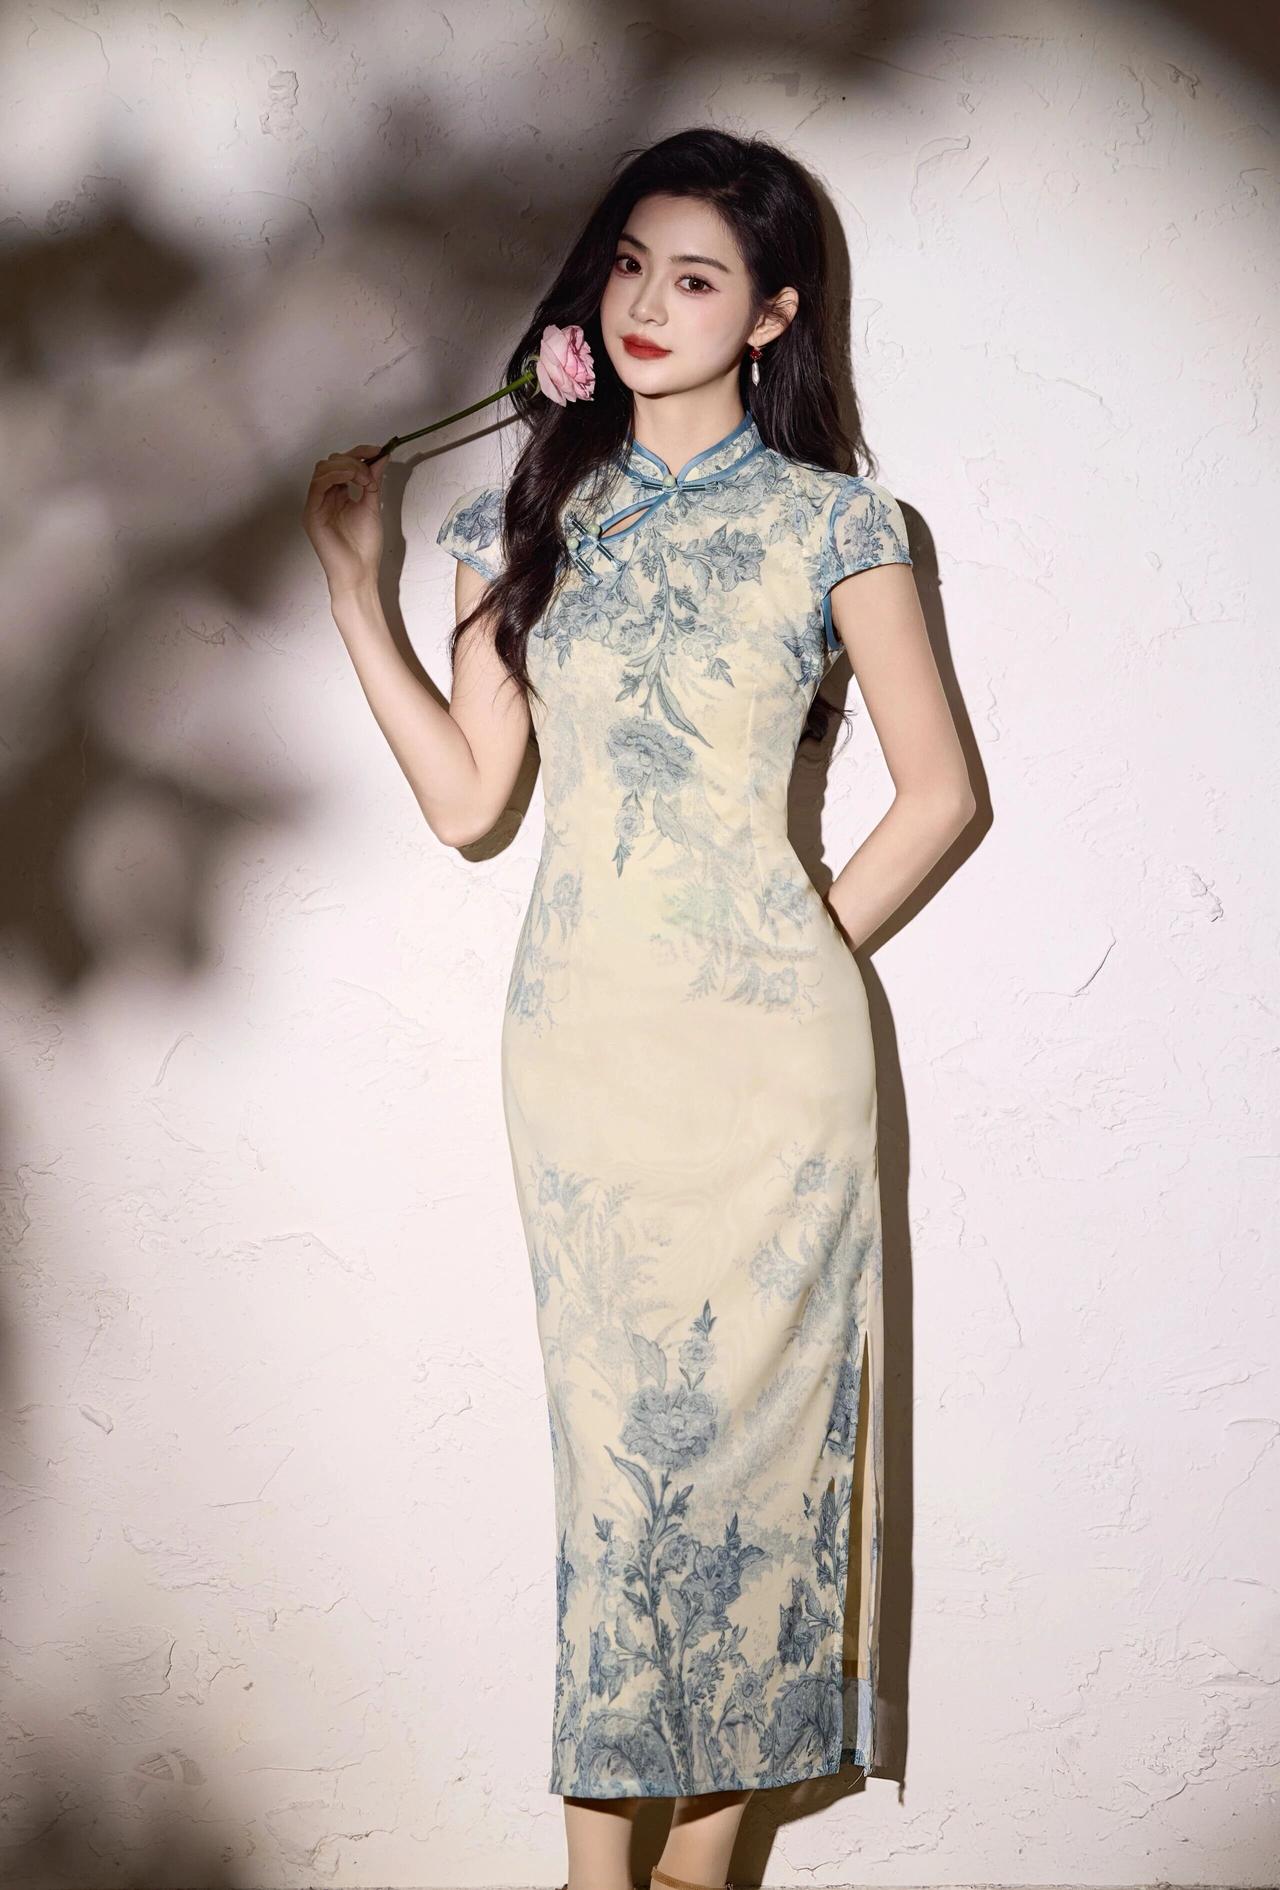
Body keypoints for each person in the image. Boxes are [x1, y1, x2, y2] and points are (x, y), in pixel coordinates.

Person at [303, 126, 974, 1890]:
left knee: (767, 1463)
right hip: (585, 1063)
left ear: (774, 315)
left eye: (696, 277)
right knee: (620, 1484)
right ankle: (601, 1875)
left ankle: (694, 1867)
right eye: (628, 265)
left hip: (775, 1079)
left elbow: (940, 795)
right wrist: (357, 593)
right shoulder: (523, 514)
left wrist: (788, 952)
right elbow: (469, 800)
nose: (649, 302)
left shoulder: (841, 524)